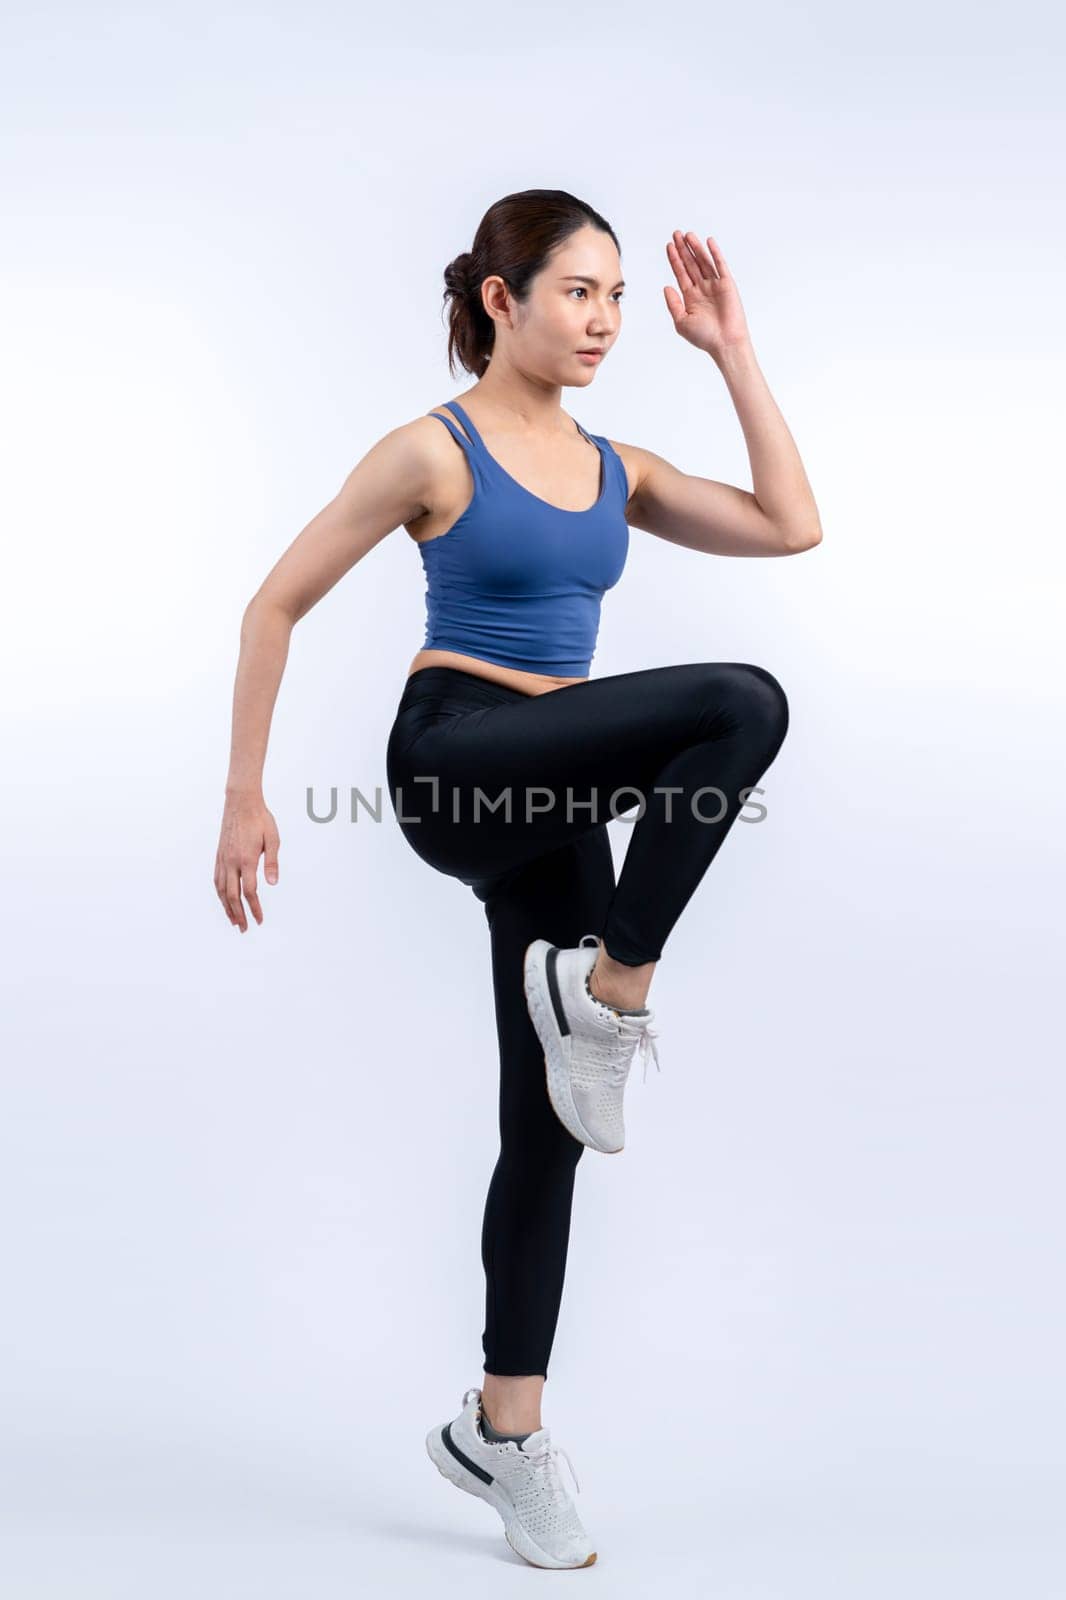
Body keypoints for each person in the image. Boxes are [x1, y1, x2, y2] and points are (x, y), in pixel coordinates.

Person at [213, 188, 822, 1571]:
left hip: (558, 800)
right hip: (456, 758)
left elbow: (791, 527)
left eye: (617, 296)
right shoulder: (429, 453)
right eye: (578, 293)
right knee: (740, 700)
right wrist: (246, 793)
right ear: (501, 300)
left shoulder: (621, 469)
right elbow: (273, 603)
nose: (606, 320)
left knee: (545, 1128)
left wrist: (730, 348)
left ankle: (502, 1429)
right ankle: (609, 994)